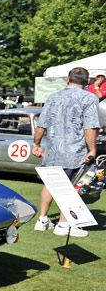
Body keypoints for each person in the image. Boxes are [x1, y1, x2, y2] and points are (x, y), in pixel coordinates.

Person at [32, 67, 100, 237]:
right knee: (69, 188)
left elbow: (41, 124)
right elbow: (90, 126)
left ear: (68, 80)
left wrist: (36, 144)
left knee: (51, 185)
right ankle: (63, 224)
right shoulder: (89, 98)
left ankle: (42, 219)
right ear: (88, 81)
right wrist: (92, 149)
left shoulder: (53, 97)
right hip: (74, 151)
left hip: (54, 149)